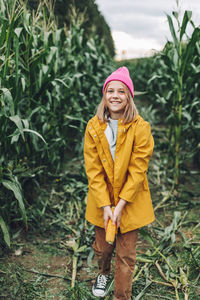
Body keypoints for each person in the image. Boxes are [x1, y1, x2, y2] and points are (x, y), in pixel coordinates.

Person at [83, 66, 155, 300]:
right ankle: (103, 272)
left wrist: (121, 206)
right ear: (104, 95)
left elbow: (138, 170)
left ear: (129, 97)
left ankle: (121, 295)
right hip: (101, 200)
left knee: (126, 255)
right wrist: (106, 207)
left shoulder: (140, 128)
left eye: (121, 91)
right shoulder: (93, 127)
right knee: (103, 248)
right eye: (110, 90)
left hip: (130, 201)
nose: (115, 95)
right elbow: (93, 171)